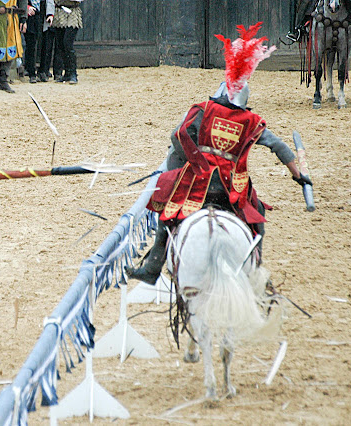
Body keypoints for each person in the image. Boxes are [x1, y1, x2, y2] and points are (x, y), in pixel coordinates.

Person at [125, 22, 313, 285]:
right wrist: (299, 175)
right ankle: (257, 266)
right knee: (257, 214)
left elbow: (178, 135)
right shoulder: (251, 120)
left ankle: (153, 265)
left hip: (196, 184)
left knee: (168, 211)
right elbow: (279, 146)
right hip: (231, 189)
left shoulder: (203, 110)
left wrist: (194, 160)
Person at [51, 0, 82, 84]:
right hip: (59, 12)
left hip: (72, 12)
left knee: (68, 44)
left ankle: (73, 73)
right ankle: (67, 72)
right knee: (60, 45)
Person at [24, 0, 54, 83]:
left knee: (44, 44)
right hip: (30, 18)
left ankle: (42, 71)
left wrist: (50, 14)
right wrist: (27, 8)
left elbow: (49, 2)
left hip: (43, 17)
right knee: (31, 44)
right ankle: (31, 73)